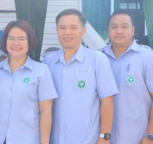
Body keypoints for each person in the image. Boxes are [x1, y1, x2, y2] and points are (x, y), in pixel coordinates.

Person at [45, 9, 118, 144]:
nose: (67, 32)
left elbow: (107, 100)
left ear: (83, 31)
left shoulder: (97, 59)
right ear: (57, 30)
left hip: (87, 140)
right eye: (62, 28)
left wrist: (104, 137)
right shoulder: (48, 62)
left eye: (73, 27)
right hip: (54, 139)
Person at [103, 11, 153, 144]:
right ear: (109, 30)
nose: (119, 31)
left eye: (124, 26)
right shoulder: (99, 58)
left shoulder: (148, 57)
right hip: (103, 138)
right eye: (114, 27)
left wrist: (151, 135)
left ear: (133, 30)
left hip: (136, 138)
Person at [0, 20, 56, 144]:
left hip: (27, 139)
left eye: (22, 39)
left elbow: (46, 111)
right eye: (11, 38)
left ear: (30, 42)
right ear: (5, 41)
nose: (16, 43)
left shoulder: (41, 71)